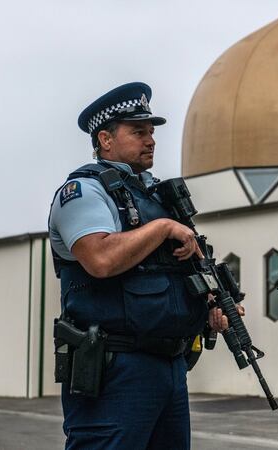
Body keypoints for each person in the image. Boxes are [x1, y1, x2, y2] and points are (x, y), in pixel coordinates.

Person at [48, 82, 229, 449]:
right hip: (115, 367)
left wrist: (210, 305)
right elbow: (100, 259)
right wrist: (162, 227)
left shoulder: (156, 194)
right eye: (138, 131)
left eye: (152, 132)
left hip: (169, 365)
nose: (151, 141)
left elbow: (178, 269)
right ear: (106, 139)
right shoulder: (84, 191)